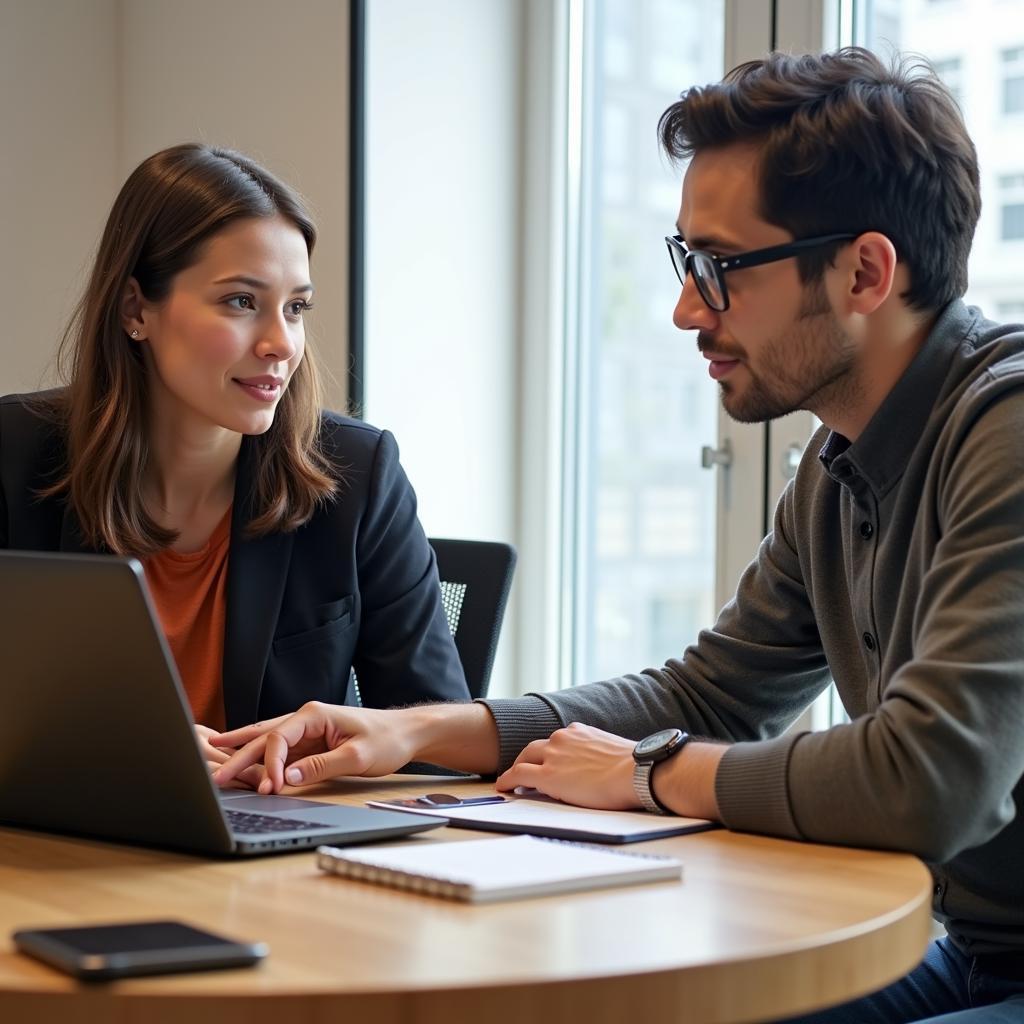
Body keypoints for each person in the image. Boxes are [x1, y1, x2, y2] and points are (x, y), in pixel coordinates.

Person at [213, 49, 1024, 1021]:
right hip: (971, 951)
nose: (686, 309)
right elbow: (711, 691)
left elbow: (931, 780)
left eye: (718, 268)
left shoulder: (1005, 433)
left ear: (863, 270)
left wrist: (650, 773)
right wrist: (413, 730)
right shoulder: (839, 461)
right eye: (685, 263)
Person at [0, 143, 469, 782]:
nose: (281, 343)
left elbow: (440, 739)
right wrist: (128, 749)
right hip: (63, 855)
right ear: (136, 309)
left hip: (276, 858)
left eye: (296, 307)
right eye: (241, 302)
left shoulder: (360, 474)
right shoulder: (13, 455)